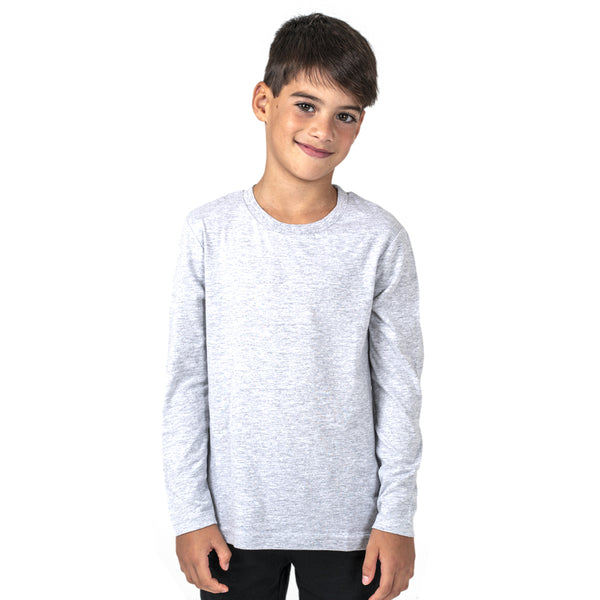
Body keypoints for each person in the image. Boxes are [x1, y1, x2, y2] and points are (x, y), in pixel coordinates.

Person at [162, 12, 424, 600]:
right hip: (232, 524)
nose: (322, 130)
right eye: (306, 105)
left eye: (345, 115)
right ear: (264, 101)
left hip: (352, 529)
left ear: (359, 125)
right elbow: (186, 382)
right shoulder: (209, 232)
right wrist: (190, 513)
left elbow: (400, 389)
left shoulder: (379, 239)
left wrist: (396, 518)